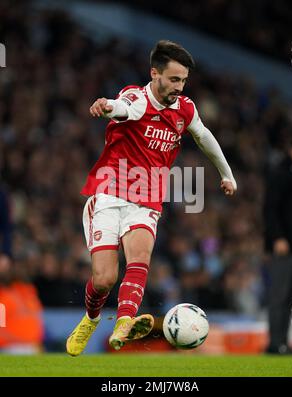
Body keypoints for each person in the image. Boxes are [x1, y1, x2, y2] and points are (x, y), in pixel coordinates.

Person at [66, 40, 237, 356]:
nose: (179, 86)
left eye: (183, 80)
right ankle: (91, 319)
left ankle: (124, 322)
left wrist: (226, 173)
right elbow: (124, 108)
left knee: (140, 257)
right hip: (109, 192)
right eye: (174, 79)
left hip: (147, 197)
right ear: (154, 74)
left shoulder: (184, 108)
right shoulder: (136, 96)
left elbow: (203, 136)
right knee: (104, 280)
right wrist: (106, 105)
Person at [264, 135, 292, 354]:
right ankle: (275, 343)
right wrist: (277, 237)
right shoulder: (281, 173)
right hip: (285, 246)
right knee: (280, 295)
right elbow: (270, 210)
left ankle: (285, 342)